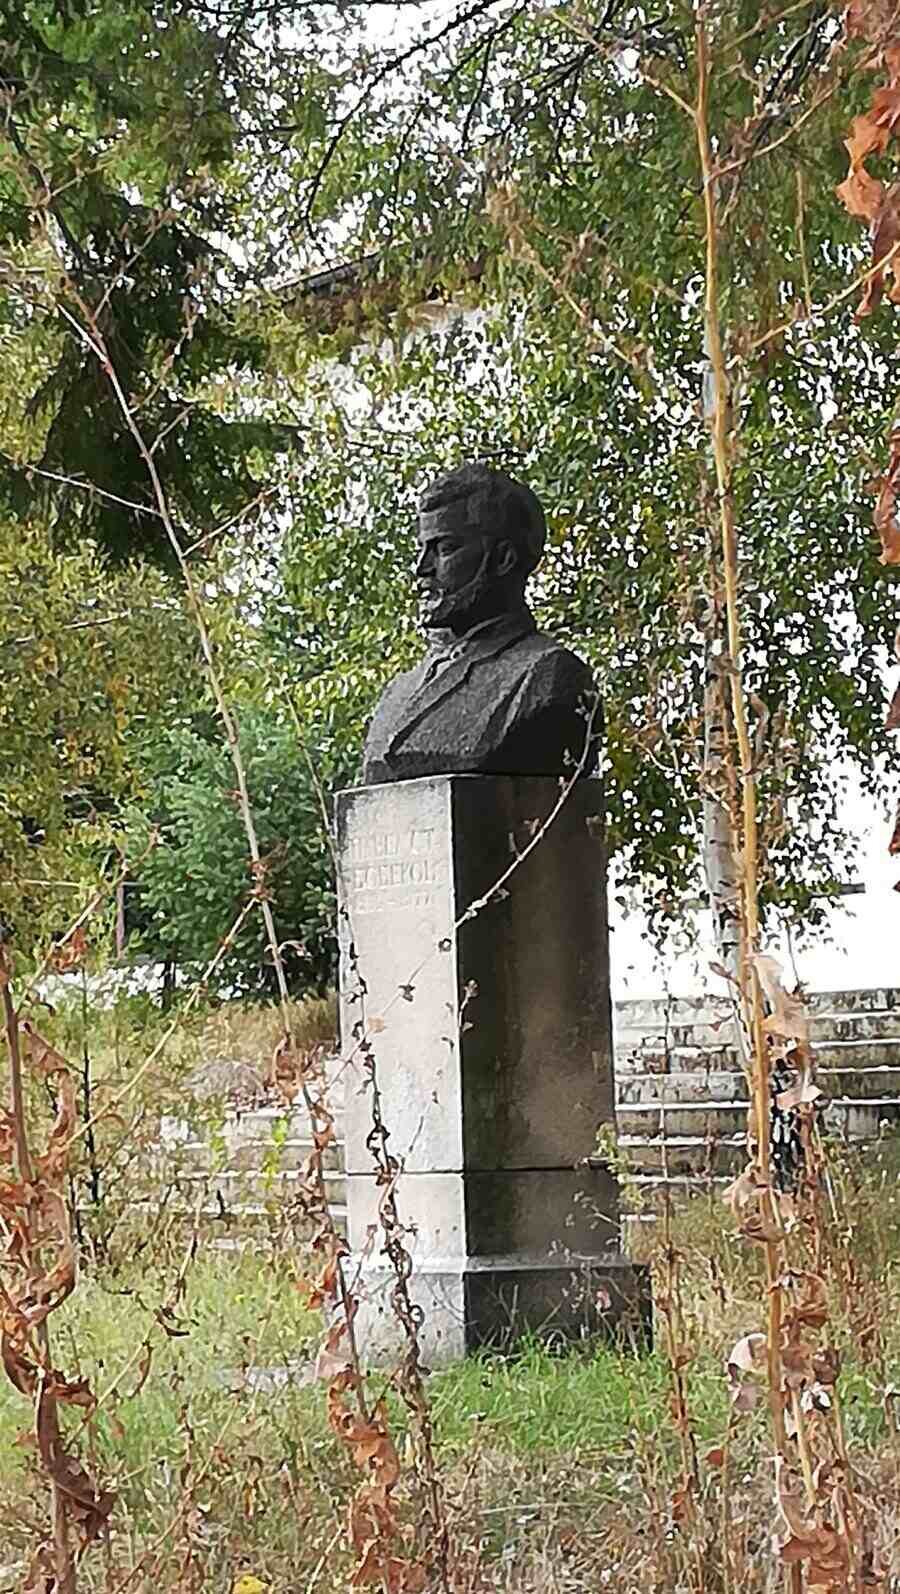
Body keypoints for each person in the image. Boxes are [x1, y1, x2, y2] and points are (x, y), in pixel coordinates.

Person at [361, 462, 599, 784]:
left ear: (503, 558)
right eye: (422, 549)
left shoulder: (548, 675)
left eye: (445, 548)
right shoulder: (399, 691)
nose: (422, 568)